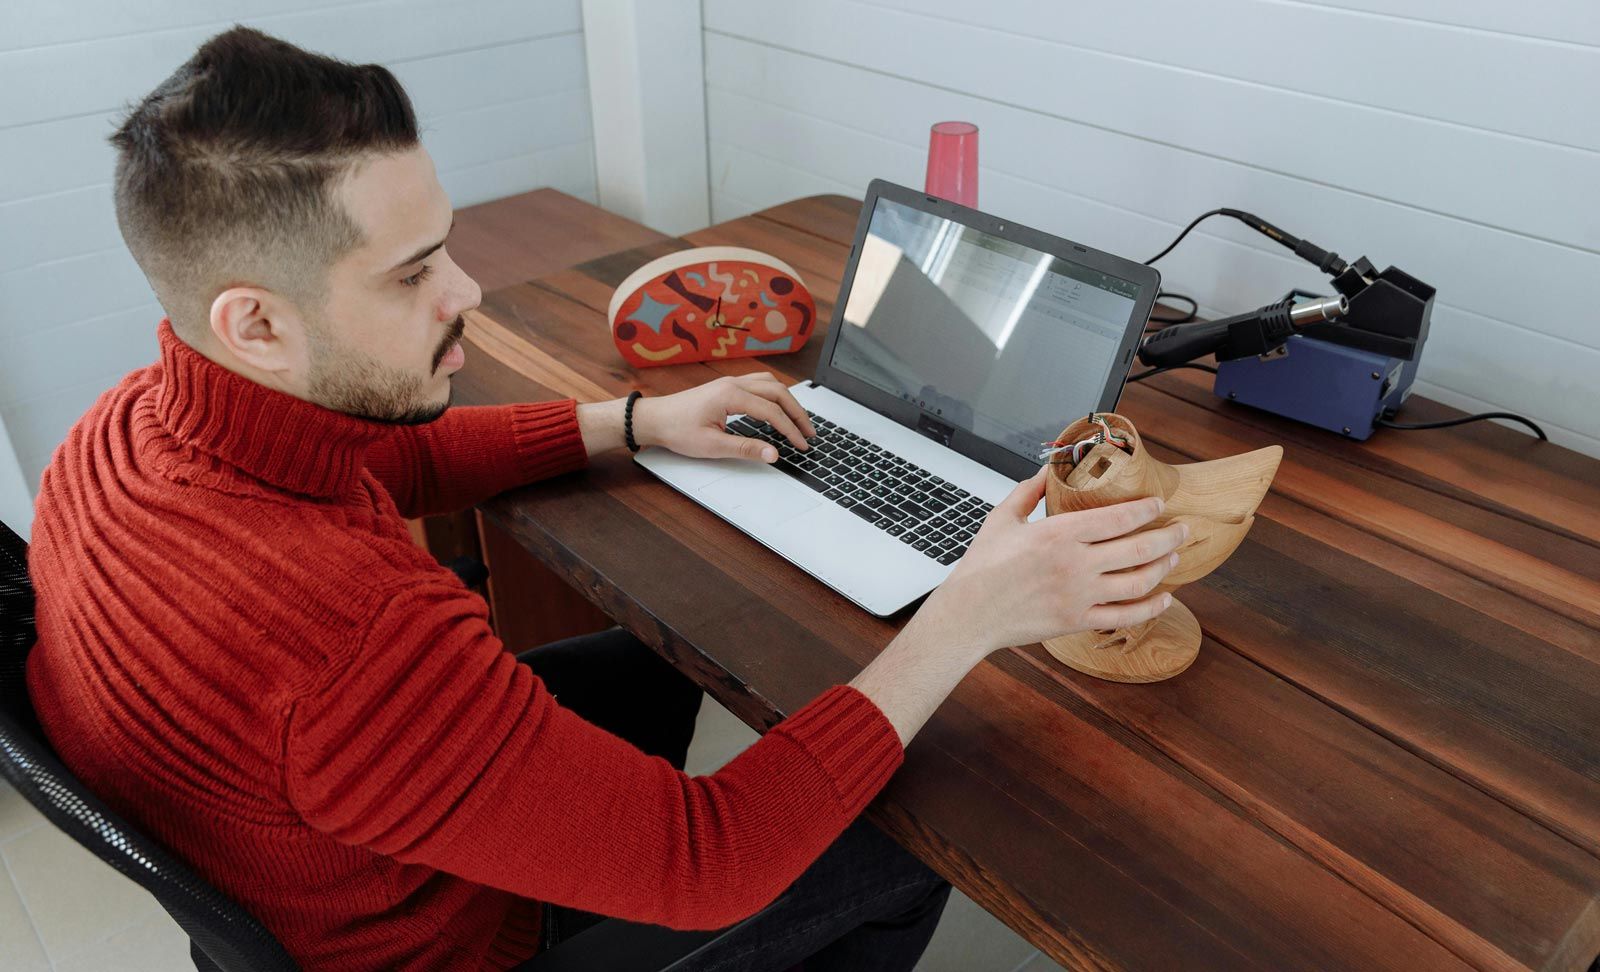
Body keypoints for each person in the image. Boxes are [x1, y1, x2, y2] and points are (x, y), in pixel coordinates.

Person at [23, 26, 1187, 972]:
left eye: (447, 245)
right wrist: (972, 610)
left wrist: (634, 421)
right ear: (257, 324)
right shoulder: (351, 642)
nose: (465, 289)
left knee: (670, 656)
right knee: (920, 836)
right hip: (459, 943)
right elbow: (708, 864)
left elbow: (390, 461)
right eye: (412, 272)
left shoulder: (120, 434)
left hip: (333, 873)